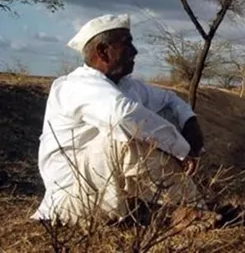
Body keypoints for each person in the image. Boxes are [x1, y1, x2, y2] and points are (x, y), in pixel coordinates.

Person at [31, 13, 210, 226]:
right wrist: (182, 150)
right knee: (127, 135)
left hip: (105, 188)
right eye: (127, 44)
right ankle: (189, 210)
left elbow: (169, 99)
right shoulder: (75, 86)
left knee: (163, 116)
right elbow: (124, 116)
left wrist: (190, 122)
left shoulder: (125, 85)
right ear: (103, 51)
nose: (135, 51)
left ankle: (186, 207)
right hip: (74, 197)